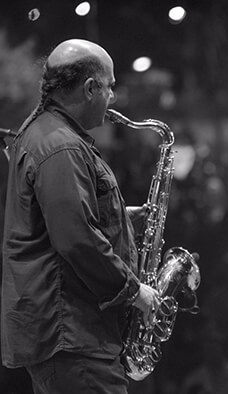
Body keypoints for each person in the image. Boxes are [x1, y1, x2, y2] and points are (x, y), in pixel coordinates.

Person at [1, 38, 160, 393]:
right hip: (73, 335)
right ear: (90, 88)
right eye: (110, 87)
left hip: (66, 336)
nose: (113, 98)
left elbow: (53, 220)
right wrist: (135, 292)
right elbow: (76, 238)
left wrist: (121, 217)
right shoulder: (61, 146)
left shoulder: (42, 133)